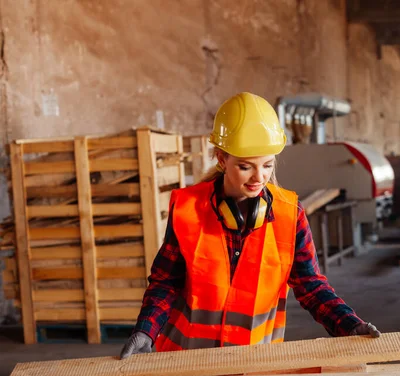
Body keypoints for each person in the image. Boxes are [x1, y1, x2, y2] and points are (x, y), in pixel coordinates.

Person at [120, 92, 380, 359]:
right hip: (185, 361)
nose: (259, 177)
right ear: (221, 159)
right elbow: (166, 282)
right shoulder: (188, 209)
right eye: (245, 167)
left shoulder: (289, 216)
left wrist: (348, 324)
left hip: (253, 363)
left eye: (267, 165)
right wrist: (145, 330)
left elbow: (311, 286)